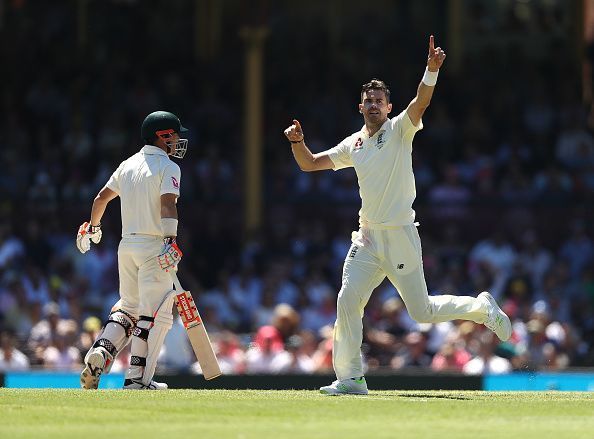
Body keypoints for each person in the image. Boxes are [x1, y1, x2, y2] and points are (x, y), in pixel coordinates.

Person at [283, 35, 512, 395]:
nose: (373, 105)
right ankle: (351, 378)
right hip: (368, 237)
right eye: (368, 101)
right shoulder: (353, 144)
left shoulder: (399, 130)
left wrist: (431, 71)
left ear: (389, 107)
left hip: (401, 235)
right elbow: (310, 164)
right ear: (359, 107)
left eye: (379, 100)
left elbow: (420, 102)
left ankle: (482, 308)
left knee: (421, 312)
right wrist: (298, 142)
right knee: (347, 299)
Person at [76, 110, 188, 390]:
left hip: (126, 246)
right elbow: (167, 205)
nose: (178, 140)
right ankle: (137, 380)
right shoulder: (169, 167)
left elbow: (101, 198)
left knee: (128, 308)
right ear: (163, 136)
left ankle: (102, 349)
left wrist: (94, 228)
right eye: (174, 135)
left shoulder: (127, 164)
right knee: (154, 314)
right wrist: (170, 240)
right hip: (154, 244)